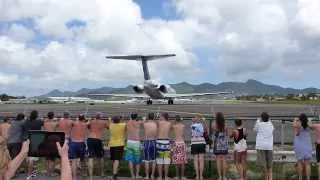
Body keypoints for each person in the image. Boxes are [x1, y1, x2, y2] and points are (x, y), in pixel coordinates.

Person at [1, 136, 72, 180]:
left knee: (47, 160)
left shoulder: (4, 175)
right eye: (4, 149)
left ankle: (45, 173)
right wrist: (65, 157)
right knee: (50, 161)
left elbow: (8, 172)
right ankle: (49, 173)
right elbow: (7, 171)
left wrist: (22, 153)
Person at [22, 110, 44, 179]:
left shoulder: (26, 121)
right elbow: (42, 123)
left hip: (26, 140)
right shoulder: (39, 122)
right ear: (36, 115)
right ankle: (29, 175)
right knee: (32, 159)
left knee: (29, 158)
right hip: (35, 140)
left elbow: (25, 123)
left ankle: (31, 172)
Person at [87, 113, 108, 180]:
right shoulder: (103, 122)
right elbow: (109, 127)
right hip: (98, 139)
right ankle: (102, 173)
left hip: (90, 139)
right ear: (101, 117)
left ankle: (91, 177)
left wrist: (90, 120)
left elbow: (88, 127)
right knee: (101, 157)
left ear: (95, 117)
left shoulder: (91, 121)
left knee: (90, 157)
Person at [254, 112, 274, 180]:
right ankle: (270, 178)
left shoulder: (259, 124)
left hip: (261, 146)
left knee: (263, 164)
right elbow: (272, 129)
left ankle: (266, 177)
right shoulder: (270, 124)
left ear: (261, 118)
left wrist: (258, 120)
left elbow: (255, 129)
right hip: (269, 146)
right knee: (270, 164)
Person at [293, 114, 312, 180]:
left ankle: (300, 178)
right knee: (308, 163)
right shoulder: (308, 125)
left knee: (299, 162)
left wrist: (295, 120)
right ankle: (308, 178)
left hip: (299, 146)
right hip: (307, 145)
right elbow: (311, 126)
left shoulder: (298, 125)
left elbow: (296, 133)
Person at [69, 114, 88, 180]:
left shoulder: (74, 123)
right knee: (83, 160)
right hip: (81, 143)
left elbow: (72, 122)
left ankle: (74, 177)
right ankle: (84, 174)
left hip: (73, 143)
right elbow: (88, 123)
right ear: (83, 119)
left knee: (73, 161)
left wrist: (77, 120)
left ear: (78, 118)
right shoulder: (85, 124)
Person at [125, 113, 142, 179]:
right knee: (137, 159)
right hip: (136, 142)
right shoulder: (138, 123)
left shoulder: (128, 123)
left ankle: (132, 175)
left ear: (131, 117)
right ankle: (137, 175)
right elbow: (142, 121)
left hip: (129, 142)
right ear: (136, 117)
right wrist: (143, 119)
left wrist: (131, 119)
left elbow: (130, 121)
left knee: (130, 159)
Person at [108, 116, 126, 180]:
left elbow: (110, 121)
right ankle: (114, 175)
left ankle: (114, 172)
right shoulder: (122, 125)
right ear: (119, 121)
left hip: (112, 144)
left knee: (114, 160)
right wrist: (122, 119)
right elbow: (124, 124)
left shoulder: (111, 125)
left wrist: (110, 119)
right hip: (119, 144)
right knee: (117, 160)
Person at [212, 112, 229, 180]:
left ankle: (219, 176)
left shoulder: (214, 124)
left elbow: (213, 128)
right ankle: (224, 177)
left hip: (217, 144)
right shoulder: (225, 124)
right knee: (224, 160)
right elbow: (227, 134)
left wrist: (214, 119)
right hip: (224, 143)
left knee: (218, 160)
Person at [143, 113, 158, 180]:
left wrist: (144, 119)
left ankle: (147, 175)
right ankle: (152, 175)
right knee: (153, 160)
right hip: (153, 141)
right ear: (153, 117)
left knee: (147, 160)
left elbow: (142, 124)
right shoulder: (155, 124)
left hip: (147, 142)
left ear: (148, 117)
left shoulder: (145, 124)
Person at [172, 115, 187, 180]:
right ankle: (183, 176)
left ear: (175, 120)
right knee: (182, 161)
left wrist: (175, 122)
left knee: (177, 161)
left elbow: (172, 126)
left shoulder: (174, 126)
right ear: (180, 120)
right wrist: (181, 120)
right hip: (182, 143)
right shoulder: (183, 126)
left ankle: (177, 176)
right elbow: (183, 125)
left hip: (176, 143)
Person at [44, 112, 58, 177]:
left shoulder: (45, 123)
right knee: (53, 158)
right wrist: (55, 120)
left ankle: (47, 172)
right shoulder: (55, 123)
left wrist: (48, 119)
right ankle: (52, 172)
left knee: (47, 158)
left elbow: (45, 121)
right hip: (52, 141)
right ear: (53, 116)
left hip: (46, 141)